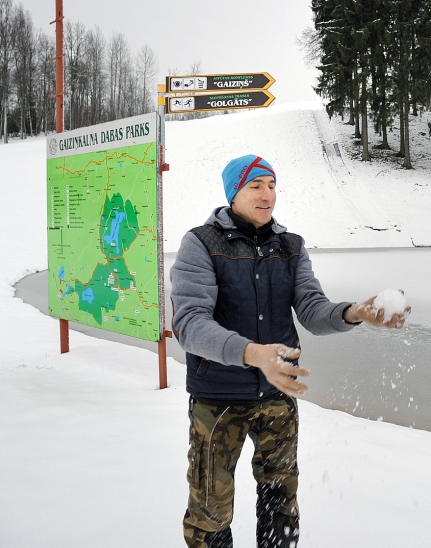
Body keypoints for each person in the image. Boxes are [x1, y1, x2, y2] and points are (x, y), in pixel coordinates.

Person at [170, 154, 410, 548]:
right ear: (234, 192)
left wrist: (355, 312)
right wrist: (253, 353)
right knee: (210, 513)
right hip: (218, 398)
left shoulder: (290, 246)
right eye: (255, 186)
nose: (268, 195)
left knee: (281, 503)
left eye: (272, 185)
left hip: (278, 395)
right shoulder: (201, 243)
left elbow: (313, 311)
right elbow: (190, 324)